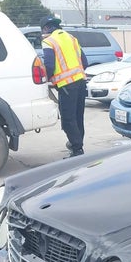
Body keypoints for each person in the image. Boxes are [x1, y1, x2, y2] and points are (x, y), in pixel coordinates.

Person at [40, 16, 89, 157]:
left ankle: (77, 148)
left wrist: (46, 80)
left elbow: (49, 65)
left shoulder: (48, 42)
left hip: (67, 85)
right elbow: (84, 62)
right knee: (78, 116)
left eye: (43, 30)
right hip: (80, 82)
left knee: (68, 118)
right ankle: (77, 142)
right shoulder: (72, 38)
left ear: (47, 28)